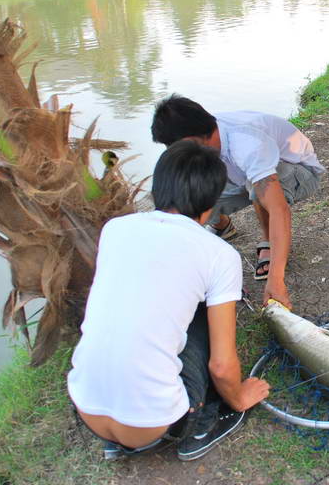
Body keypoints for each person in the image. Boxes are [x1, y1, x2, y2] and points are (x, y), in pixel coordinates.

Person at [67, 140, 270, 462]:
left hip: (86, 408)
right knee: (205, 313)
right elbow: (221, 364)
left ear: (157, 186)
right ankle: (202, 426)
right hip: (156, 423)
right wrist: (240, 397)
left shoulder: (115, 229)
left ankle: (116, 443)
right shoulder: (219, 254)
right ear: (211, 203)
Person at [151, 95, 325, 309]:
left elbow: (279, 210)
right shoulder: (206, 139)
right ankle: (223, 226)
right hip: (244, 176)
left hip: (299, 171)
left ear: (195, 139)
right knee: (191, 191)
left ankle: (268, 243)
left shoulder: (247, 144)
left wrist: (276, 280)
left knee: (259, 189)